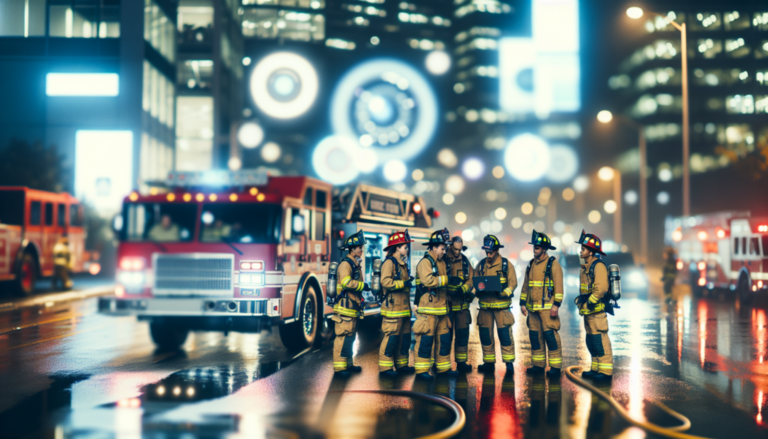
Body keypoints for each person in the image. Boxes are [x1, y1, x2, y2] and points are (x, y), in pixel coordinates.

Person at [413, 228, 462, 380]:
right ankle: (422, 370)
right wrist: (448, 280)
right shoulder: (426, 262)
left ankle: (443, 368)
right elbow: (428, 281)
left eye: (445, 248)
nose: (444, 251)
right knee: (426, 340)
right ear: (434, 247)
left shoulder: (441, 262)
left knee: (444, 340)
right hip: (428, 309)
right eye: (442, 248)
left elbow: (442, 284)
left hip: (441, 309)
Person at [520, 230, 564, 376]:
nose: (534, 249)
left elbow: (558, 286)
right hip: (532, 309)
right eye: (534, 247)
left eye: (537, 247)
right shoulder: (531, 264)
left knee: (550, 337)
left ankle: (555, 367)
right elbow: (526, 286)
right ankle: (538, 365)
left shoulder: (553, 264)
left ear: (544, 249)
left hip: (547, 309)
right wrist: (522, 303)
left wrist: (556, 304)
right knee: (535, 338)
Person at [474, 234, 518, 374]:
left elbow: (513, 284)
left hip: (501, 308)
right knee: (485, 336)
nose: (488, 255)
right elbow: (475, 282)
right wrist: (476, 292)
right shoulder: (481, 265)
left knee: (505, 335)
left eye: (491, 252)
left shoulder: (506, 265)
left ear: (497, 250)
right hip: (485, 307)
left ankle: (509, 364)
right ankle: (488, 363)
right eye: (486, 252)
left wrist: (503, 293)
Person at [575, 230, 613, 381]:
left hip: (596, 311)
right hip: (589, 312)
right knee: (592, 341)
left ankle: (605, 371)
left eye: (583, 248)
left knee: (600, 340)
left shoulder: (598, 266)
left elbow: (601, 288)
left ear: (591, 252)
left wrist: (590, 301)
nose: (581, 251)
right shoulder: (585, 266)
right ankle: (596, 368)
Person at [332, 230, 370, 377]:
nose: (362, 249)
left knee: (350, 337)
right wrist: (363, 286)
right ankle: (340, 368)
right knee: (343, 337)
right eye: (360, 247)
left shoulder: (355, 264)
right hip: (345, 308)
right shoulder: (345, 265)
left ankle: (348, 364)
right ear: (352, 249)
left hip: (352, 307)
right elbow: (346, 283)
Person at [378, 231, 416, 376]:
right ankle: (385, 368)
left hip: (404, 309)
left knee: (404, 338)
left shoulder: (402, 263)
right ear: (397, 248)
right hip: (393, 309)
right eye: (405, 247)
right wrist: (403, 283)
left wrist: (407, 282)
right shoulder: (389, 263)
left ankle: (402, 365)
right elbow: (385, 282)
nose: (407, 249)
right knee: (392, 338)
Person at [445, 235, 475, 372]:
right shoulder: (444, 259)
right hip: (447, 307)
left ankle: (461, 363)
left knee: (462, 336)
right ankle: (443, 364)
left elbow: (471, 279)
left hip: (462, 307)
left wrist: (464, 288)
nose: (458, 252)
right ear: (451, 246)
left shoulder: (465, 261)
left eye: (460, 249)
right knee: (445, 337)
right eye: (455, 249)